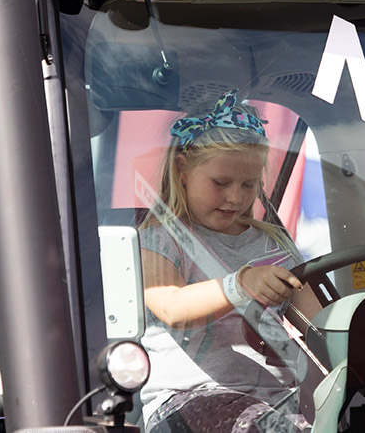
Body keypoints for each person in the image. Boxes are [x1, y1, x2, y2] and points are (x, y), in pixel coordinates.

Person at [138, 90, 323, 433]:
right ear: (182, 169)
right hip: (188, 401)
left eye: (249, 184)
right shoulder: (161, 237)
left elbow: (320, 325)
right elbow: (170, 306)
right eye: (220, 182)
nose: (235, 197)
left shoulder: (273, 242)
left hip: (278, 399)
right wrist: (239, 284)